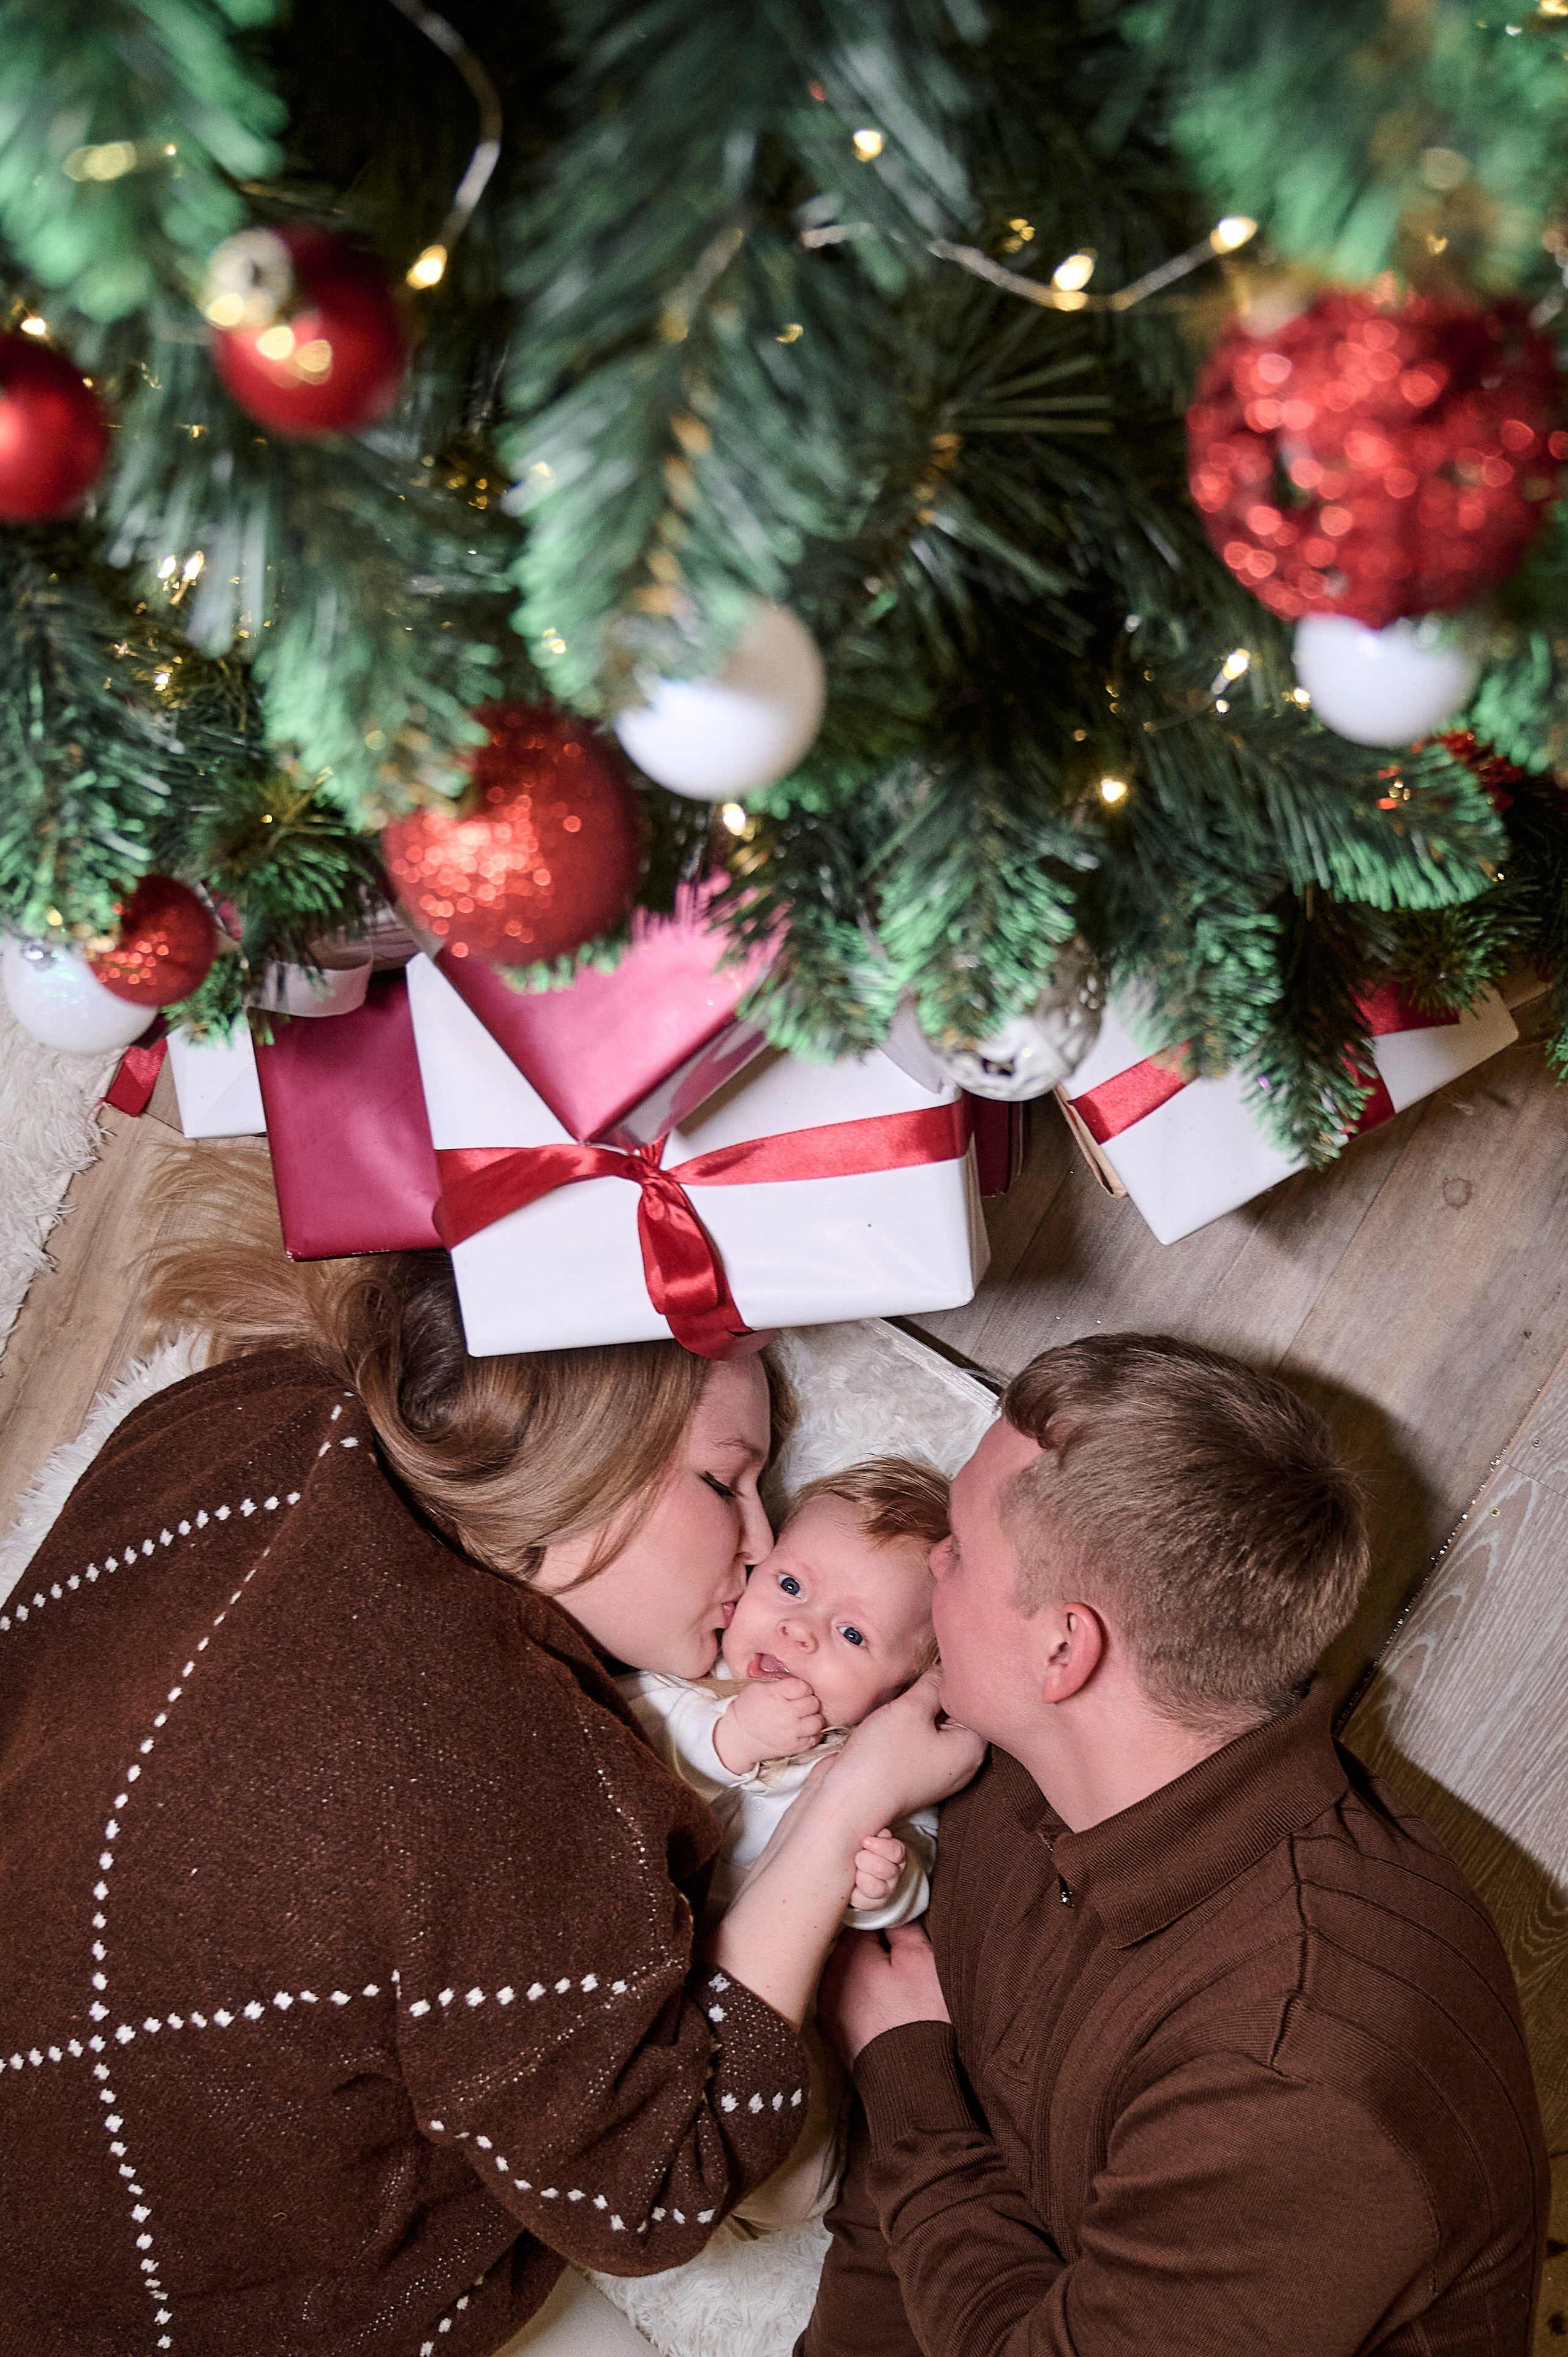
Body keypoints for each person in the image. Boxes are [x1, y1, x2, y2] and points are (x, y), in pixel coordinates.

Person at [0, 1161, 982, 2357]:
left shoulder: (229, 1418)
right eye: (726, 1481)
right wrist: (849, 1804)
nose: (762, 1541)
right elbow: (658, 2183)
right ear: (578, 1447)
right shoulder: (500, 1766)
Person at [802, 1332, 1550, 2357]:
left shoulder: (1302, 2070)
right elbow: (928, 2204)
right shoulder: (1008, 1779)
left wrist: (908, 2078)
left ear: (1065, 1646)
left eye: (963, 1550)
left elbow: (932, 2139)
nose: (934, 1557)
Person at [620, 1458, 949, 2230]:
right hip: (638, 1951)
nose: (799, 1629)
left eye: (852, 1632)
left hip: (758, 1992)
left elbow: (919, 1861)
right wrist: (729, 1740)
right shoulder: (682, 1685)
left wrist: (883, 1884)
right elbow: (618, 1764)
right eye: (791, 1587)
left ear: (899, 1694)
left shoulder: (877, 1758)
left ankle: (748, 2182)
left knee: (801, 2175)